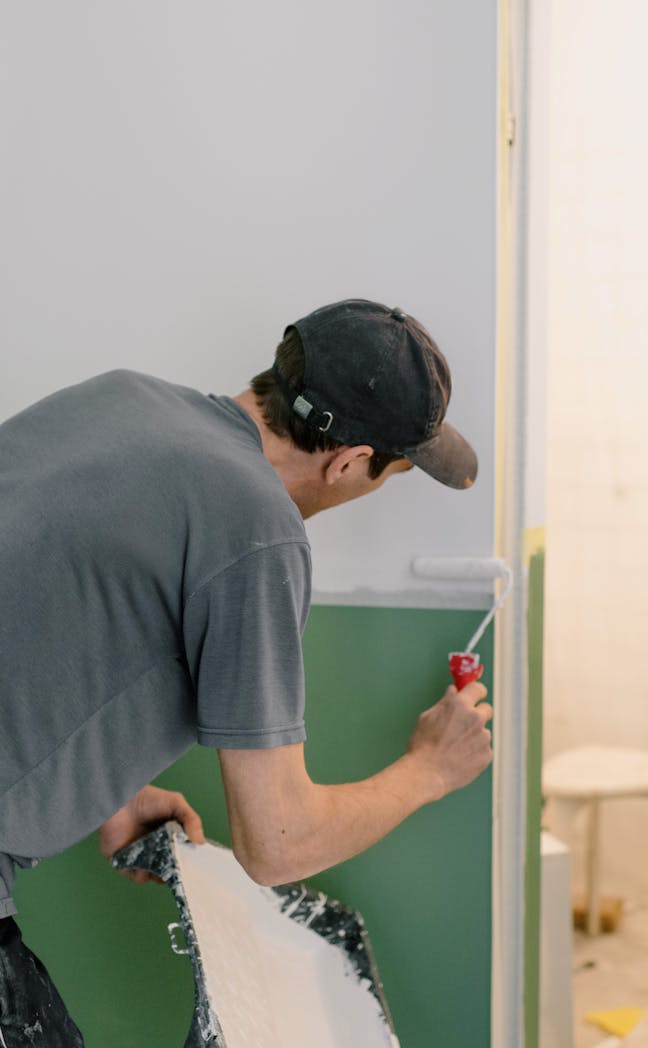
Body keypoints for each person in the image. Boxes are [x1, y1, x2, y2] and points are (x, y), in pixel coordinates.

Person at [0, 298, 492, 1045]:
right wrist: (431, 768)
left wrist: (110, 791)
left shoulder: (122, 397)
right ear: (351, 462)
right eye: (388, 472)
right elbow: (278, 843)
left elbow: (47, 602)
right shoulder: (258, 528)